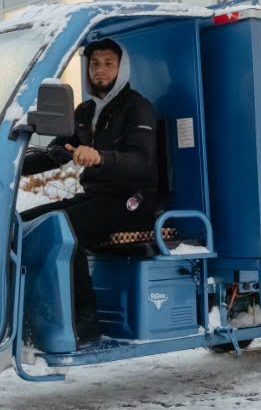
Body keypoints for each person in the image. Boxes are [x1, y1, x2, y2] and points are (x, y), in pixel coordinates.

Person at [20, 38, 158, 346]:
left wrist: (101, 157)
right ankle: (32, 312)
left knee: (61, 230)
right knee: (23, 224)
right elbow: (56, 152)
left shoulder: (137, 108)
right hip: (96, 199)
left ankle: (85, 320)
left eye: (108, 64)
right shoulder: (85, 111)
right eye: (94, 64)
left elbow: (142, 162)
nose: (100, 70)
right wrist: (13, 164)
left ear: (122, 69)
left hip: (131, 202)